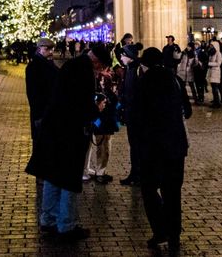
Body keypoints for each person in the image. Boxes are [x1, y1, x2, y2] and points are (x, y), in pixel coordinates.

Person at [26, 43, 106, 243]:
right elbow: (81, 106)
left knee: (53, 176)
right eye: (100, 67)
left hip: (54, 131)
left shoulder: (72, 65)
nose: (100, 71)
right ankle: (67, 225)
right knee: (69, 179)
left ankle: (48, 220)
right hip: (69, 134)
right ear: (96, 61)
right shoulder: (84, 71)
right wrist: (98, 109)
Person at [132, 47, 192, 253]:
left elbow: (136, 116)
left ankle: (160, 230)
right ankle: (174, 235)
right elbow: (189, 111)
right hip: (176, 147)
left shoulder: (144, 82)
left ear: (145, 64)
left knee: (149, 189)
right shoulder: (176, 80)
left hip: (153, 147)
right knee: (173, 192)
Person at [83, 68, 118, 184]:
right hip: (101, 125)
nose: (102, 82)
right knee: (101, 148)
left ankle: (101, 171)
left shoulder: (110, 95)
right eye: (101, 80)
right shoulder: (97, 94)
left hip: (106, 125)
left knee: (105, 148)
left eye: (104, 80)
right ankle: (99, 171)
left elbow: (114, 108)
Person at [118, 43, 143, 187]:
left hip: (135, 115)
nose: (121, 57)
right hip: (130, 113)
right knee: (133, 146)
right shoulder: (129, 69)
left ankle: (137, 174)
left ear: (130, 57)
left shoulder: (136, 71)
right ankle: (135, 173)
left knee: (136, 146)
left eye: (123, 55)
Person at [206, 39, 222, 106]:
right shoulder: (211, 53)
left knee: (215, 88)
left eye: (212, 46)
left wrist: (209, 63)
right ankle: (215, 99)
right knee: (213, 88)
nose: (210, 47)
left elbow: (218, 63)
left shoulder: (218, 53)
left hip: (216, 72)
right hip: (211, 72)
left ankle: (217, 103)